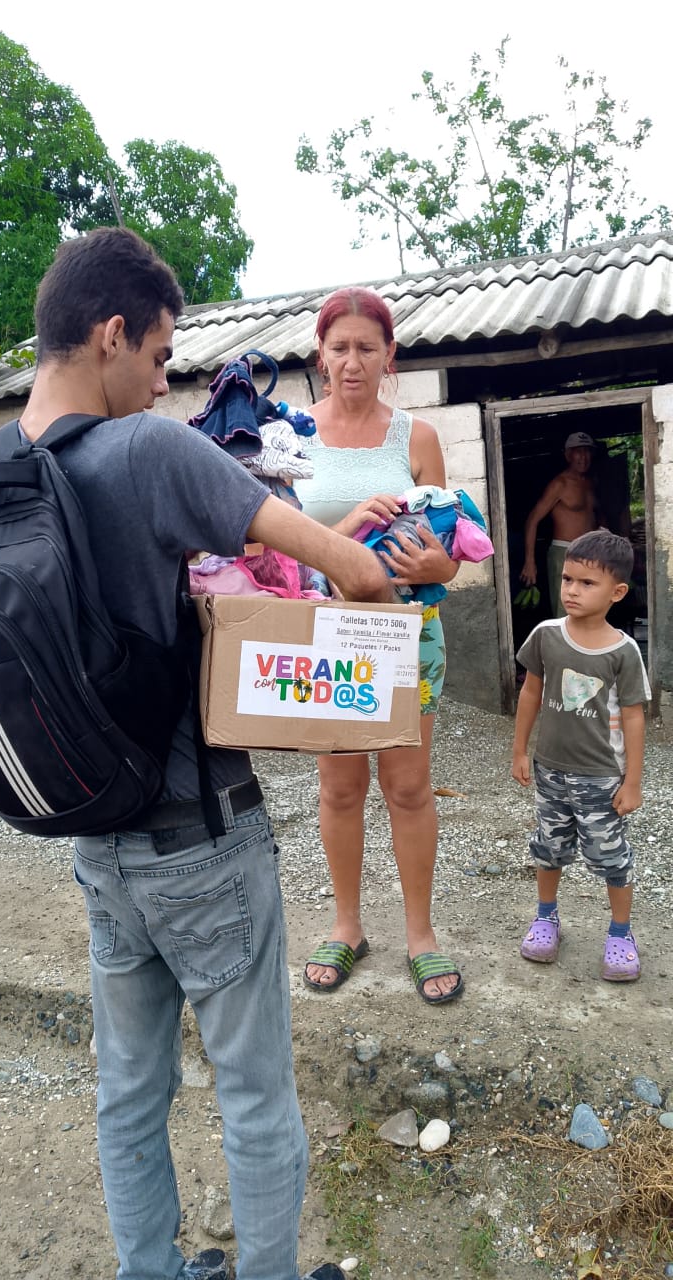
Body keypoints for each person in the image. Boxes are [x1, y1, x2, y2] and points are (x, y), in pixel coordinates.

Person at [0, 229, 397, 1280]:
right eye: (159, 358)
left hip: (92, 841)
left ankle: (148, 1267)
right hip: (202, 834)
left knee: (127, 1086)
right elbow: (353, 574)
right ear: (111, 335)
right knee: (253, 1090)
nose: (164, 383)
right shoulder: (148, 452)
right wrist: (390, 562)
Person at [295, 287, 464, 1006]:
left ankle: (421, 937)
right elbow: (266, 550)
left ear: (390, 355)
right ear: (321, 357)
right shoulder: (291, 432)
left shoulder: (414, 438)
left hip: (408, 635)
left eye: (368, 348)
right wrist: (342, 535)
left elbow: (452, 546)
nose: (353, 362)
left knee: (408, 786)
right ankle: (347, 926)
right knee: (339, 788)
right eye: (340, 348)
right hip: (327, 634)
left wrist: (440, 569)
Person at [511, 530, 650, 981]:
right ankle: (546, 917)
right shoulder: (546, 635)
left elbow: (633, 717)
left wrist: (632, 780)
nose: (571, 589)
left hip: (601, 777)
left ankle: (620, 933)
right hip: (550, 770)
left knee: (611, 856)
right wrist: (519, 750)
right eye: (568, 579)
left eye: (587, 583)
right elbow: (531, 692)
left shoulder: (624, 651)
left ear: (618, 592)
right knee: (548, 849)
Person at [520, 431, 597, 616]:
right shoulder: (560, 484)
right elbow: (532, 520)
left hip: (590, 553)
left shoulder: (590, 482)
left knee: (589, 608)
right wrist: (529, 562)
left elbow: (593, 514)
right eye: (578, 451)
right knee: (566, 611)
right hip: (565, 552)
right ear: (568, 455)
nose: (583, 457)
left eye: (587, 451)